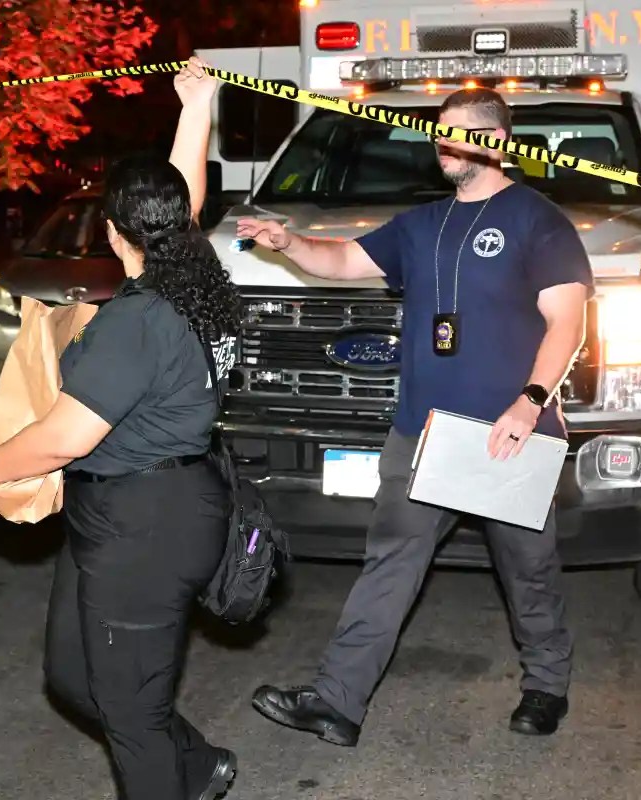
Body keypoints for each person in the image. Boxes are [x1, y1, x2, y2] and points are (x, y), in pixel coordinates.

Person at [241, 87, 593, 746]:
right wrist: (289, 241)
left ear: (495, 141)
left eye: (458, 132)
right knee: (389, 564)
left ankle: (546, 686)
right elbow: (343, 259)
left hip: (505, 435)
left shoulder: (537, 221)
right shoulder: (420, 223)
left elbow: (567, 321)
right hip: (424, 434)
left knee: (530, 572)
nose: (443, 143)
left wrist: (532, 400)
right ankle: (336, 703)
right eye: (438, 132)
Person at [0, 58, 240, 800]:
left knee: (131, 717)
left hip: (146, 527)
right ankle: (200, 763)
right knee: (73, 677)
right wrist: (196, 107)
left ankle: (179, 769)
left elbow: (64, 438)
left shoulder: (139, 321)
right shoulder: (194, 281)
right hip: (122, 516)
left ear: (113, 230)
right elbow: (186, 200)